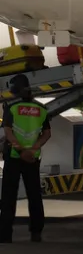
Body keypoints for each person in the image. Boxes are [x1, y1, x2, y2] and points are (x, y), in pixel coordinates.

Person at [0, 74, 51, 242]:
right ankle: (36, 232)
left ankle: (6, 234)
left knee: (9, 196)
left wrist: (20, 149)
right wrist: (33, 148)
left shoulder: (12, 108)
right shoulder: (41, 109)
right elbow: (47, 134)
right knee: (35, 195)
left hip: (15, 156)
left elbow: (8, 131)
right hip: (32, 158)